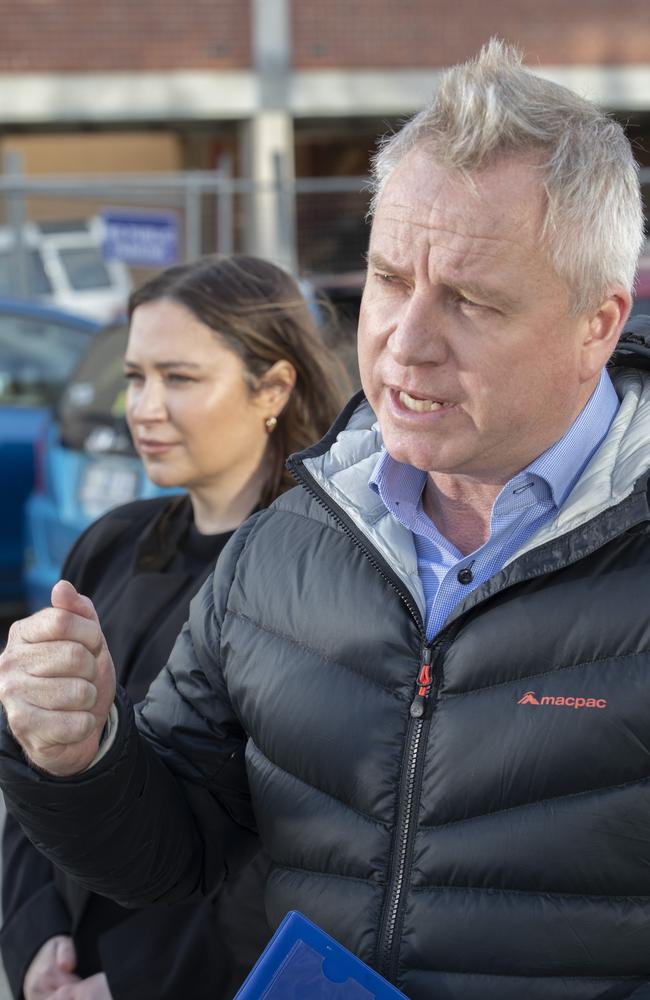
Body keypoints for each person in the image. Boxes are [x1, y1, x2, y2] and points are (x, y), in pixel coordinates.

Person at [1, 38, 650, 1000]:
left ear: (598, 321)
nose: (404, 340)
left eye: (470, 300)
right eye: (388, 278)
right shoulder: (293, 537)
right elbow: (170, 854)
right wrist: (79, 753)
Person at [0, 253, 350, 1000]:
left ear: (274, 388)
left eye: (179, 378)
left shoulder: (326, 577)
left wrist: (131, 984)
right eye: (134, 376)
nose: (143, 407)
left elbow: (287, 843)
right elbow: (43, 762)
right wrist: (33, 937)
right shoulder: (112, 543)